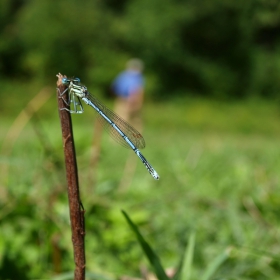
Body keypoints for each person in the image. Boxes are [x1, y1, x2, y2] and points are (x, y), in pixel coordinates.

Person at [112, 58, 145, 132]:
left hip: (131, 100)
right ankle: (118, 139)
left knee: (134, 120)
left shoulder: (127, 75)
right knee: (121, 120)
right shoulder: (133, 76)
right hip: (126, 100)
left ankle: (135, 138)